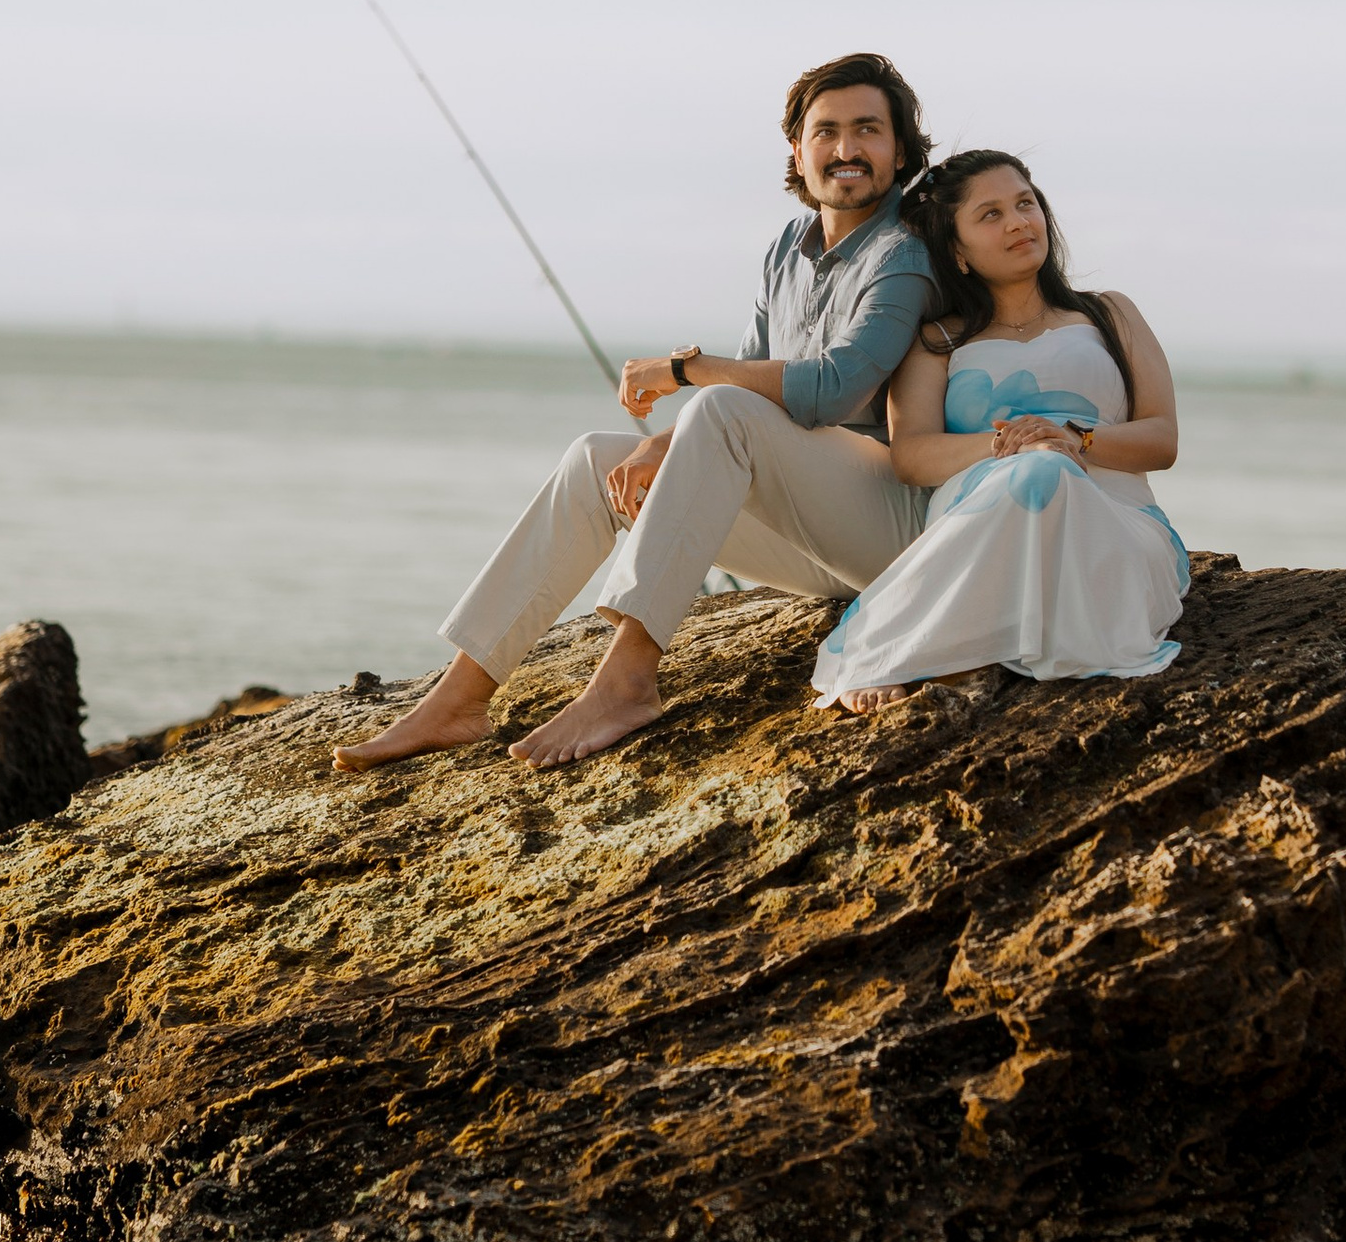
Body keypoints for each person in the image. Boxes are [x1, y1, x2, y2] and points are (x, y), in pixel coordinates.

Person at [336, 52, 937, 772]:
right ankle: (460, 696)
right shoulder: (787, 247)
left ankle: (627, 680)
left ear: (899, 148)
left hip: (893, 530)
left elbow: (834, 391)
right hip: (815, 539)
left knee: (714, 408)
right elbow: (748, 392)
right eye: (827, 131)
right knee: (600, 458)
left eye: (868, 129)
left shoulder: (907, 252)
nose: (846, 149)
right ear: (797, 152)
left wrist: (685, 373)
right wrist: (676, 441)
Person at [812, 147, 1186, 707]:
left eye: (1025, 204)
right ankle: (918, 646)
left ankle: (924, 647)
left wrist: (1074, 437)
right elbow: (910, 455)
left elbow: (1162, 439)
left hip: (1115, 526)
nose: (1018, 222)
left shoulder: (1108, 314)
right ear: (957, 251)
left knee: (1048, 468)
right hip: (983, 511)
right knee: (1034, 468)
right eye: (990, 214)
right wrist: (1003, 445)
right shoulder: (938, 339)